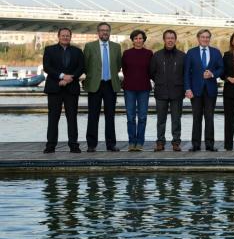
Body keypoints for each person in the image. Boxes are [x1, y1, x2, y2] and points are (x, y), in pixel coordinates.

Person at [42, 27, 85, 153]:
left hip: (71, 89)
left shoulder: (78, 51)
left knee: (72, 118)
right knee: (53, 118)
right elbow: (47, 67)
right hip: (54, 88)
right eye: (63, 35)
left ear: (70, 37)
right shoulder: (49, 50)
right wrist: (61, 76)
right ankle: (50, 145)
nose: (65, 37)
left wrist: (69, 79)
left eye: (67, 35)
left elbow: (81, 67)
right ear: (58, 36)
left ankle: (73, 145)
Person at [83, 22, 122, 152]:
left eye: (107, 30)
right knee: (93, 115)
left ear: (109, 32)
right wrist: (94, 76)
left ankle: (111, 144)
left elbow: (118, 66)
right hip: (95, 84)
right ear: (98, 32)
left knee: (110, 116)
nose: (104, 32)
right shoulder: (89, 46)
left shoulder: (116, 47)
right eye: (102, 30)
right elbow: (86, 65)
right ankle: (91, 144)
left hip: (111, 84)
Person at [184, 29, 224, 152]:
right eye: (203, 37)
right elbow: (186, 73)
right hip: (195, 91)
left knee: (209, 117)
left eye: (207, 37)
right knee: (196, 117)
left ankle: (209, 144)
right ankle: (195, 144)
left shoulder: (216, 52)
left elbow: (221, 69)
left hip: (210, 90)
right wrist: (187, 88)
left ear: (209, 39)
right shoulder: (191, 53)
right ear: (198, 38)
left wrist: (212, 74)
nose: (205, 39)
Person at [150, 29, 186, 152]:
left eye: (172, 38)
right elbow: (152, 73)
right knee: (161, 120)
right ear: (164, 40)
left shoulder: (182, 56)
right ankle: (160, 142)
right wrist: (160, 82)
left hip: (177, 92)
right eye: (168, 38)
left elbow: (185, 74)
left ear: (175, 40)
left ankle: (176, 142)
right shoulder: (157, 55)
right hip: (161, 92)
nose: (170, 40)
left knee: (176, 119)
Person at [122, 30, 153, 152]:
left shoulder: (149, 53)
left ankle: (140, 142)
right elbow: (124, 69)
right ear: (132, 40)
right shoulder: (126, 53)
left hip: (144, 88)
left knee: (142, 117)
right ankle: (131, 142)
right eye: (136, 38)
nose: (138, 40)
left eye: (140, 38)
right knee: (130, 117)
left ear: (144, 40)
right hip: (129, 88)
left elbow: (151, 70)